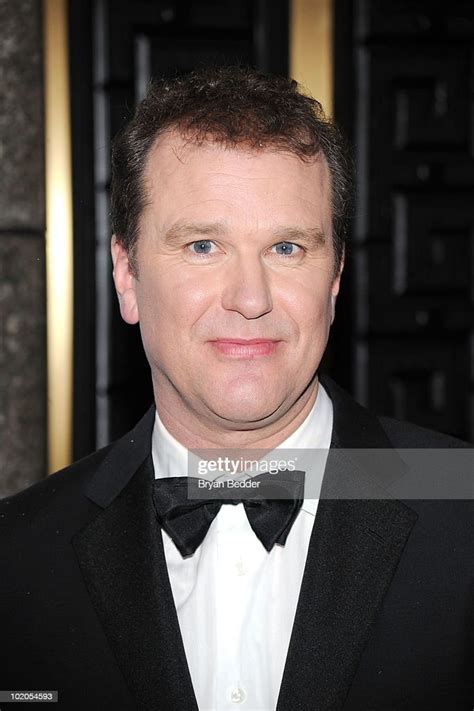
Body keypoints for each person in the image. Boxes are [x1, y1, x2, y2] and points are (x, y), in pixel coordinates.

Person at [1, 67, 472, 711]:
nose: (250, 298)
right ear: (127, 275)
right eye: (202, 245)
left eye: (285, 247)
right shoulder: (18, 556)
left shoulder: (465, 511)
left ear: (334, 278)